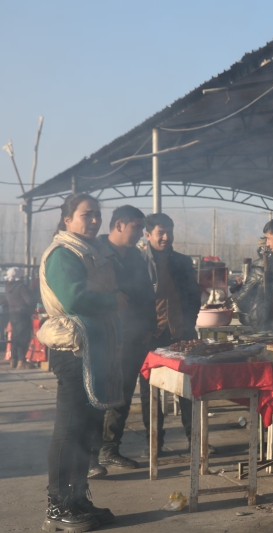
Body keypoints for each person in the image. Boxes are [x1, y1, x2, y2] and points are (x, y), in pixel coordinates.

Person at [38, 193, 124, 532]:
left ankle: (77, 499)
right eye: (87, 215)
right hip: (73, 351)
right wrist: (113, 301)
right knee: (70, 428)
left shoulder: (92, 251)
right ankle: (57, 507)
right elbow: (73, 298)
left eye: (97, 215)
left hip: (95, 348)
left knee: (87, 429)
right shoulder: (64, 253)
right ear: (67, 220)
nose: (94, 220)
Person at [86, 206, 156, 476]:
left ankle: (109, 449)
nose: (140, 233)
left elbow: (146, 296)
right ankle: (90, 457)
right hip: (104, 336)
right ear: (118, 225)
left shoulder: (137, 257)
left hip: (134, 337)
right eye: (136, 228)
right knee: (98, 397)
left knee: (123, 396)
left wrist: (149, 328)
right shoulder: (97, 253)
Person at [140, 213, 204, 454]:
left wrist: (189, 324)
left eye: (170, 232)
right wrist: (142, 330)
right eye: (160, 233)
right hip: (151, 336)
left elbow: (193, 296)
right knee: (150, 391)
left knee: (189, 388)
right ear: (147, 235)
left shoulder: (182, 262)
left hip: (182, 334)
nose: (167, 237)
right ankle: (154, 443)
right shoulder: (139, 262)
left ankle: (194, 440)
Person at [5, 267, 35, 370]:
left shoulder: (8, 287)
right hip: (23, 314)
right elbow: (30, 301)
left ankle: (14, 359)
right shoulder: (21, 287)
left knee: (15, 337)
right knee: (24, 338)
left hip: (12, 314)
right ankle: (21, 361)